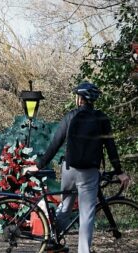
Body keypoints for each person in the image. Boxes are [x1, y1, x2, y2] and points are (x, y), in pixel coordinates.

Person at [23, 82, 130, 253]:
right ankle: (83, 251)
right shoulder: (101, 119)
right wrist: (119, 172)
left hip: (69, 169)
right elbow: (111, 147)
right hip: (89, 172)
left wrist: (39, 165)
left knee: (65, 206)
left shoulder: (70, 116)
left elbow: (55, 143)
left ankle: (52, 240)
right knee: (87, 213)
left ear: (80, 99)